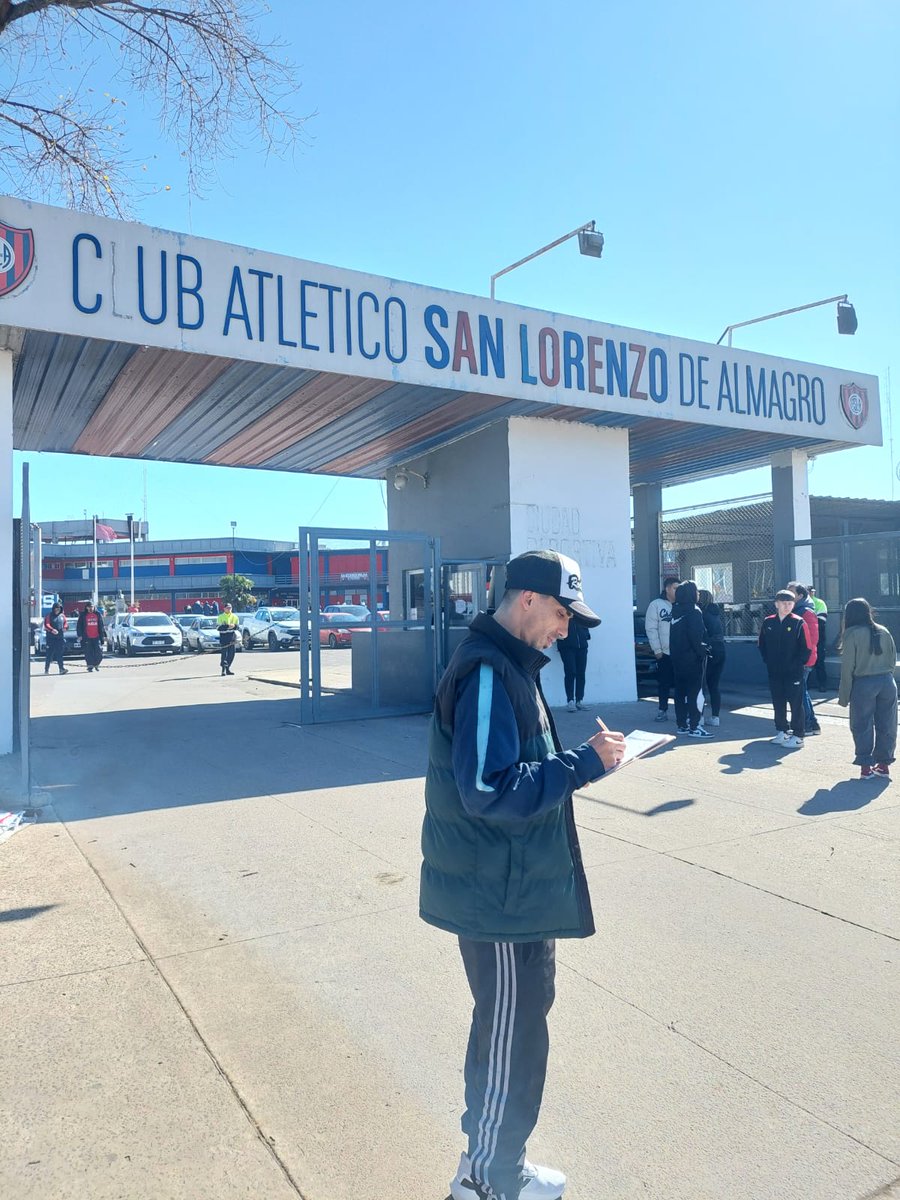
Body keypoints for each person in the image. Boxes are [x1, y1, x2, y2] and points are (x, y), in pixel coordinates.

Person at [420, 549, 625, 1200]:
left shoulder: (510, 666)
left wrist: (577, 761)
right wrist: (583, 765)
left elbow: (510, 773)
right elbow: (487, 789)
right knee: (512, 1039)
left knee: (514, 1029)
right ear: (528, 600)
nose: (566, 629)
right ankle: (486, 1178)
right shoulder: (487, 671)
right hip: (497, 896)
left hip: (512, 888)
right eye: (563, 613)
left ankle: (494, 1163)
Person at [836, 598, 897, 780]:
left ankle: (865, 767)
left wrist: (844, 696)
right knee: (888, 724)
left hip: (863, 684)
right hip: (887, 681)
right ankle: (884, 765)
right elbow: (892, 660)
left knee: (862, 724)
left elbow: (847, 668)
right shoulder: (884, 630)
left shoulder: (851, 634)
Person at [758, 590, 809, 748]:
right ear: (776, 604)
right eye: (784, 603)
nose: (787, 606)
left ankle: (799, 735)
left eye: (790, 603)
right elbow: (762, 644)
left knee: (795, 703)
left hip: (793, 672)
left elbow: (806, 648)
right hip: (774, 671)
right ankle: (782, 730)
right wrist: (769, 661)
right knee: (778, 702)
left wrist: (796, 664)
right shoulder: (768, 622)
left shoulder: (799, 622)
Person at [669, 580, 712, 738]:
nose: (699, 594)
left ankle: (682, 725)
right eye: (697, 591)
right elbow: (696, 637)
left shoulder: (675, 610)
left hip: (677, 659)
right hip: (692, 660)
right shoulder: (694, 611)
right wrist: (703, 652)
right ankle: (695, 726)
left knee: (680, 692)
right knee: (696, 692)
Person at [787, 582, 821, 735]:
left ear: (800, 596)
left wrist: (801, 657)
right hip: (801, 658)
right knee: (802, 691)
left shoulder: (806, 612)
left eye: (791, 593)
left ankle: (807, 724)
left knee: (799, 692)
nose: (788, 595)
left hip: (803, 659)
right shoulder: (798, 610)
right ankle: (812, 724)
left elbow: (812, 639)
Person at [645, 576, 680, 722]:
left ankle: (682, 712)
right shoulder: (656, 605)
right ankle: (662, 710)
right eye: (675, 588)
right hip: (664, 653)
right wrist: (657, 650)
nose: (677, 591)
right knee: (664, 683)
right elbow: (651, 628)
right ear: (667, 589)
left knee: (681, 684)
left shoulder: (682, 605)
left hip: (681, 653)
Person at [697, 588, 726, 726]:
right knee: (714, 685)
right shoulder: (716, 613)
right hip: (720, 649)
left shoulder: (701, 614)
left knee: (701, 685)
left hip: (709, 649)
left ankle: (700, 716)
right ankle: (715, 717)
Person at [556, 619, 591, 712]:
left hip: (582, 646)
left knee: (581, 673)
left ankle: (579, 701)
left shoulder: (580, 612)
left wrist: (585, 635)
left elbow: (586, 623)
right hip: (567, 647)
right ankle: (570, 701)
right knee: (570, 672)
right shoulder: (563, 610)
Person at [76, 601, 106, 673]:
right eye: (89, 607)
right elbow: (79, 626)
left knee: (99, 652)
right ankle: (90, 666)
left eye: (92, 607)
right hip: (87, 637)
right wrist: (80, 635)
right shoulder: (83, 615)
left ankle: (96, 664)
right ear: (86, 608)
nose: (90, 608)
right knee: (88, 653)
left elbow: (101, 626)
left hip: (96, 637)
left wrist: (104, 636)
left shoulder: (98, 614)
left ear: (94, 607)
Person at [808, 587, 829, 690]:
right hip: (806, 637)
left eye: (812, 591)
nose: (811, 593)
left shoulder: (820, 603)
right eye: (809, 591)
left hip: (819, 637)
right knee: (805, 660)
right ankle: (806, 684)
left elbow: (821, 622)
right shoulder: (800, 604)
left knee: (819, 660)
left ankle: (822, 684)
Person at [43, 603, 68, 675]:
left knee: (59, 654)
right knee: (49, 654)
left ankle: (61, 669)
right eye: (56, 608)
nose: (57, 610)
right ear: (53, 608)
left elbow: (66, 623)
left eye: (59, 608)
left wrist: (65, 628)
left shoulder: (62, 615)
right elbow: (46, 624)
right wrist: (52, 630)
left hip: (60, 638)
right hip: (50, 638)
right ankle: (46, 669)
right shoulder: (49, 615)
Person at [217, 603, 239, 676]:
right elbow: (218, 628)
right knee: (224, 655)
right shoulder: (221, 617)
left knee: (231, 654)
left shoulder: (234, 616)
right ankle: (223, 670)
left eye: (230, 608)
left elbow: (237, 626)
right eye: (227, 608)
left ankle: (228, 668)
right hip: (224, 637)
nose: (229, 609)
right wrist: (227, 626)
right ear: (224, 609)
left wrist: (234, 626)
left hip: (232, 637)